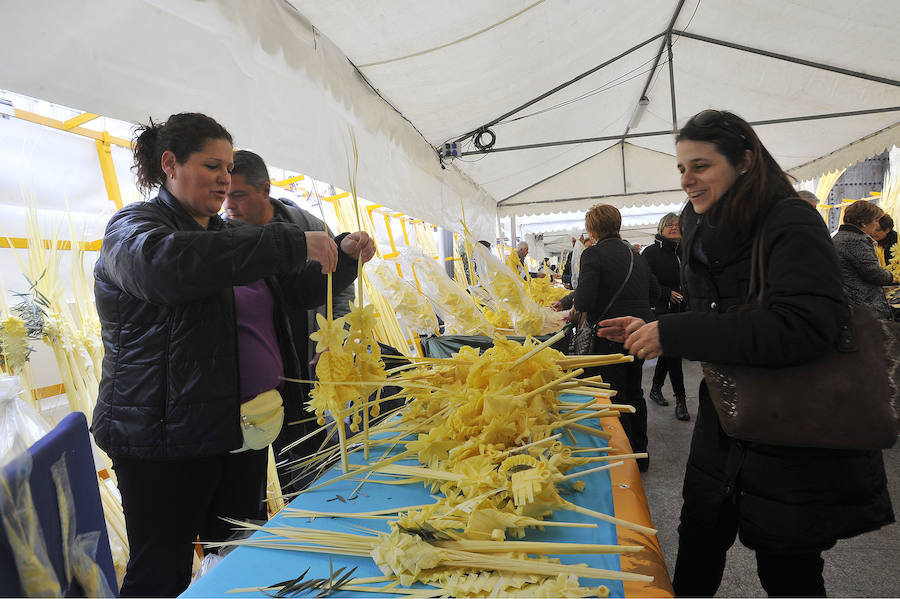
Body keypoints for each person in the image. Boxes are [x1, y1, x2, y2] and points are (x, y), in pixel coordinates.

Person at [597, 109, 893, 596]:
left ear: (746, 161)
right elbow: (715, 311)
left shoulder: (791, 221)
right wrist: (657, 326)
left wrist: (677, 332)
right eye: (681, 168)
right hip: (727, 415)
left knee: (788, 567)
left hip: (795, 423)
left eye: (701, 165)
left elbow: (803, 328)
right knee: (697, 544)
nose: (687, 178)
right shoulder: (700, 223)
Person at [92, 113, 375, 597]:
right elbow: (167, 269)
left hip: (233, 431)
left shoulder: (225, 238)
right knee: (162, 570)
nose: (224, 178)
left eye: (228, 167)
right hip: (161, 440)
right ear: (170, 164)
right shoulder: (134, 229)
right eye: (211, 165)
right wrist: (286, 242)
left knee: (239, 552)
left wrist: (344, 256)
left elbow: (299, 291)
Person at [224, 149, 358, 492]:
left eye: (238, 196)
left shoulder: (310, 228)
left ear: (264, 190)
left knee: (307, 464)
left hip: (303, 373)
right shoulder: (221, 239)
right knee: (247, 481)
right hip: (251, 388)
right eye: (224, 196)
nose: (229, 206)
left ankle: (314, 507)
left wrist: (332, 340)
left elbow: (331, 291)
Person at [573, 204, 657, 472]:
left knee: (610, 395)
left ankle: (623, 458)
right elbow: (654, 293)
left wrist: (571, 304)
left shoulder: (592, 254)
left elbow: (585, 299)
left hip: (608, 333)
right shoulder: (636, 255)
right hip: (638, 332)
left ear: (592, 230)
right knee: (635, 392)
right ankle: (640, 452)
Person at [641, 212, 689, 420]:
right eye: (669, 224)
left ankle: (655, 388)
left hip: (684, 310)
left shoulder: (686, 250)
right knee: (673, 352)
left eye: (677, 224)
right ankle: (681, 401)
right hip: (660, 310)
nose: (673, 227)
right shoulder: (650, 253)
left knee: (667, 352)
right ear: (661, 229)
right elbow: (645, 282)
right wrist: (666, 293)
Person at [832, 201, 894, 320]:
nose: (877, 225)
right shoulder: (856, 240)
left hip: (851, 305)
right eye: (875, 220)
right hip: (864, 308)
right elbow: (874, 273)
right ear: (864, 222)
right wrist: (890, 277)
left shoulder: (839, 237)